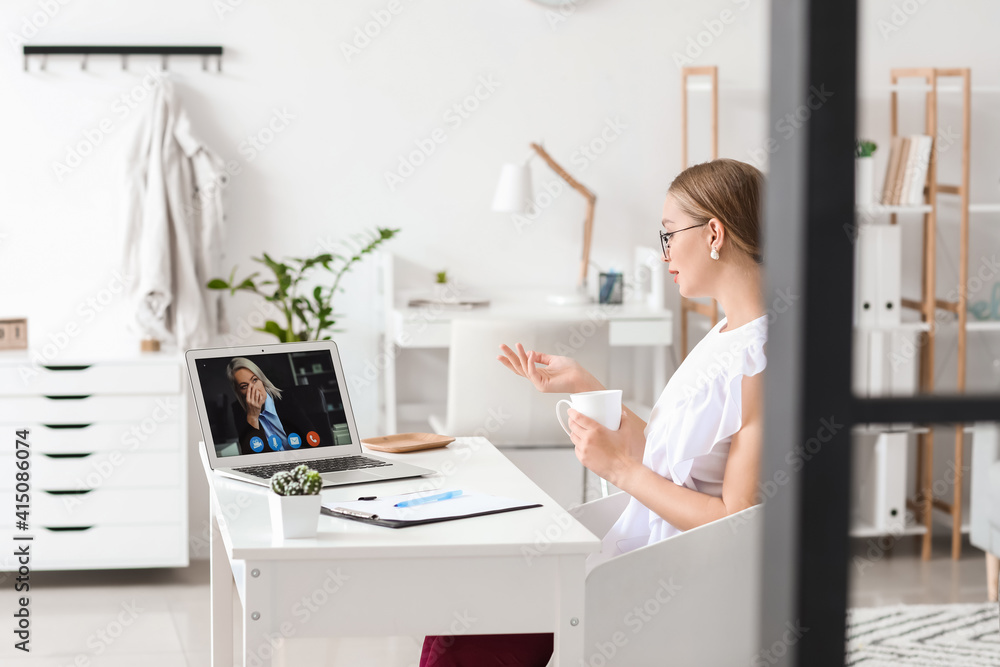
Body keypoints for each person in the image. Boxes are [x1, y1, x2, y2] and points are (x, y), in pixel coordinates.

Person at [419, 158, 769, 667]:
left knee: (474, 624)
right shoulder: (724, 335)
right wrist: (587, 387)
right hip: (639, 549)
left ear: (714, 231)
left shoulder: (762, 359)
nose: (664, 251)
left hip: (666, 575)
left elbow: (735, 521)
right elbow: (678, 460)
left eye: (670, 233)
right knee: (469, 608)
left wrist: (620, 469)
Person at [227, 357, 317, 455]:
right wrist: (252, 418)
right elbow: (251, 457)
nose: (253, 389)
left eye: (255, 380)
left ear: (262, 380)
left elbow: (312, 440)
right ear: (239, 392)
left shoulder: (286, 399)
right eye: (244, 386)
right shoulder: (239, 410)